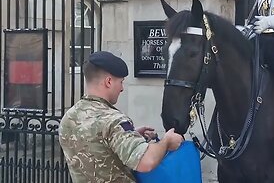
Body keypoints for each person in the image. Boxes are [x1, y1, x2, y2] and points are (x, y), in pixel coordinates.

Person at [58, 51, 183, 182]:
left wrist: (130, 136)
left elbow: (96, 145)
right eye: (121, 82)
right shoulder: (114, 120)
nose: (122, 88)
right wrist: (166, 142)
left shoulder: (69, 117)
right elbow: (146, 162)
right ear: (109, 82)